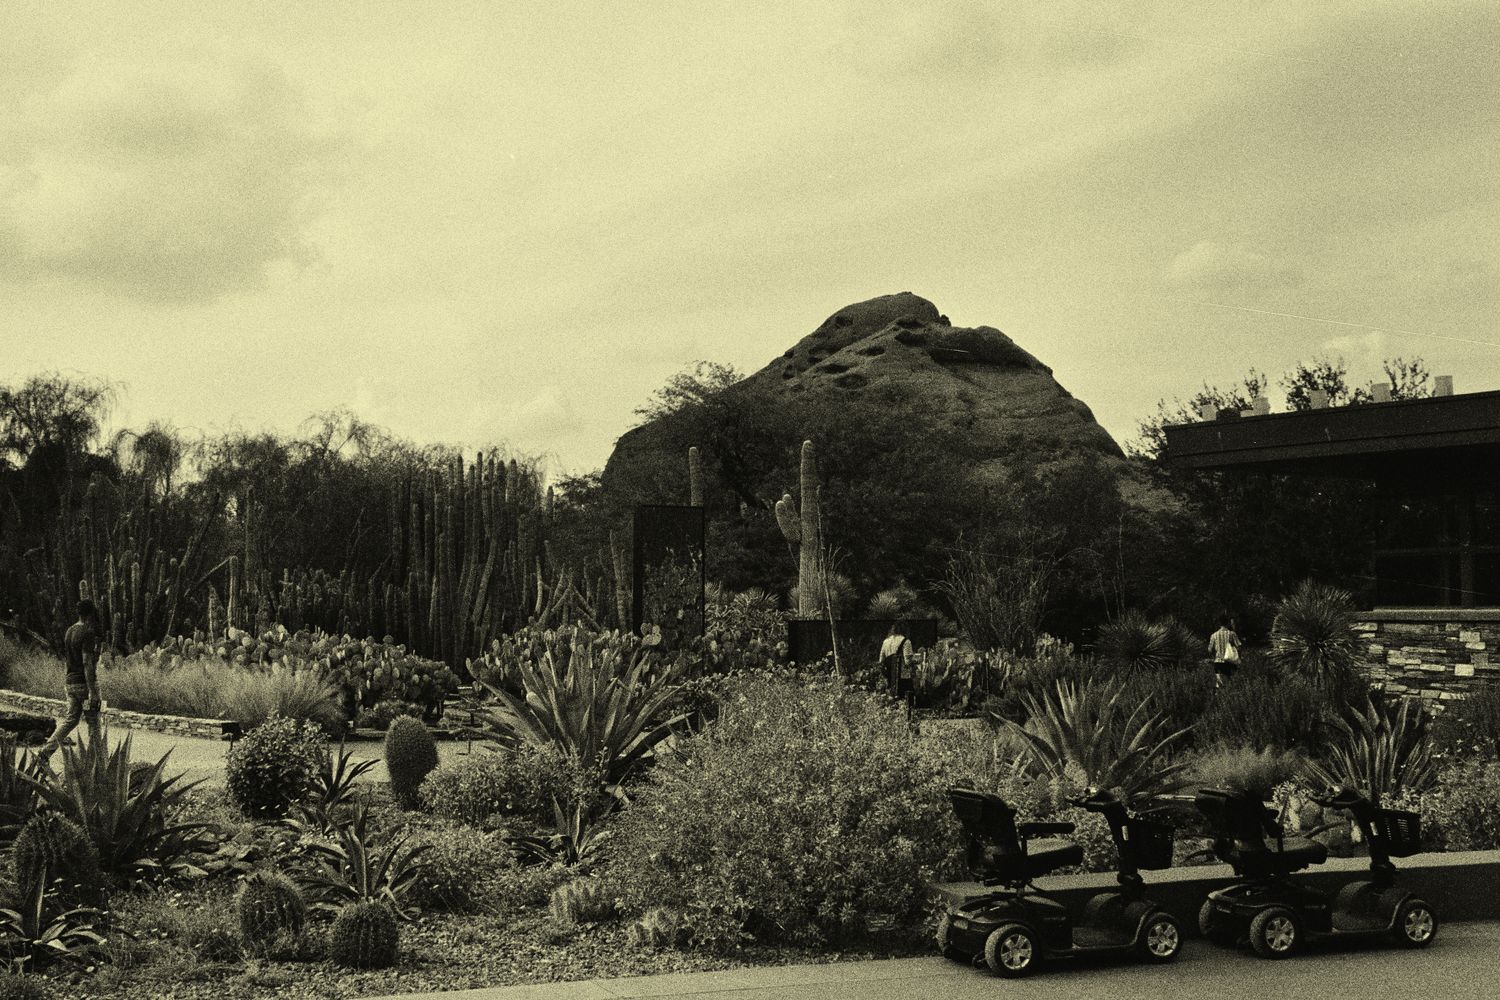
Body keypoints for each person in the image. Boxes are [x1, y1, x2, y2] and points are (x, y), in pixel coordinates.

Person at [37, 599, 104, 767]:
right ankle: (97, 764)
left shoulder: (69, 631)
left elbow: (69, 658)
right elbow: (87, 662)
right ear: (91, 614)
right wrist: (93, 692)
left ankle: (45, 752)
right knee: (94, 722)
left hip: (70, 683)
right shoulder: (87, 632)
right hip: (85, 686)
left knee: (71, 719)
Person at [879, 624, 915, 716]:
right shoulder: (906, 641)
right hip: (903, 677)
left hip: (890, 677)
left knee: (891, 699)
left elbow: (881, 660)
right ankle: (908, 715)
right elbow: (907, 662)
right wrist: (916, 661)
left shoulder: (885, 641)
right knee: (908, 696)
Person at [1207, 615, 1241, 690]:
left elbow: (1209, 650)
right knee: (1231, 684)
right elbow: (1239, 647)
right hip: (1230, 662)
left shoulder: (1214, 635)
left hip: (1218, 662)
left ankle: (1217, 695)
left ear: (1219, 623)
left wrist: (1214, 657)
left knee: (1219, 684)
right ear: (1228, 623)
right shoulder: (1232, 634)